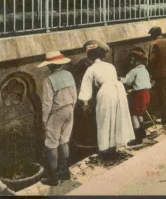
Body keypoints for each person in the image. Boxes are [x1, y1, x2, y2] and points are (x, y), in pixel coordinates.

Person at [78, 40, 135, 161]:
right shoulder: (110, 66)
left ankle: (105, 150)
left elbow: (86, 88)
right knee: (116, 118)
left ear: (90, 56)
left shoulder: (91, 69)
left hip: (106, 93)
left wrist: (85, 104)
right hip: (118, 92)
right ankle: (114, 147)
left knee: (104, 120)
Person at [37, 51, 77, 186]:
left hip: (57, 112)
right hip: (70, 108)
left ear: (50, 66)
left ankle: (54, 177)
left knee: (51, 143)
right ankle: (65, 171)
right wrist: (71, 107)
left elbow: (47, 103)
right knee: (64, 141)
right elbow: (74, 94)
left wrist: (44, 120)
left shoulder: (48, 80)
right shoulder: (69, 75)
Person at [120, 48, 151, 146]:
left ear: (137, 61)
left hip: (138, 95)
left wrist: (119, 79)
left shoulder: (134, 70)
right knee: (140, 114)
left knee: (133, 114)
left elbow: (127, 81)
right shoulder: (144, 70)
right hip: (147, 94)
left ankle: (138, 138)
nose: (131, 62)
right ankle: (143, 134)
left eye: (132, 60)